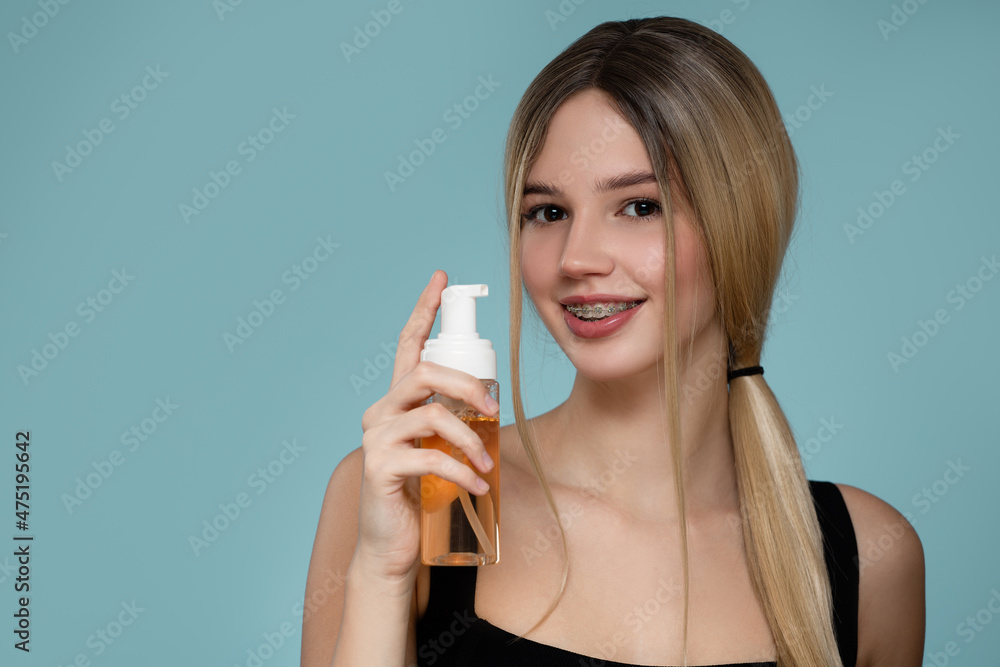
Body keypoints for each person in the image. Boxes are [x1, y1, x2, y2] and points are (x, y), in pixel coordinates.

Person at [301, 16, 925, 667]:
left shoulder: (872, 558)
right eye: (548, 212)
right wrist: (381, 572)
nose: (577, 257)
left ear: (740, 223)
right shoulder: (410, 494)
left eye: (639, 206)